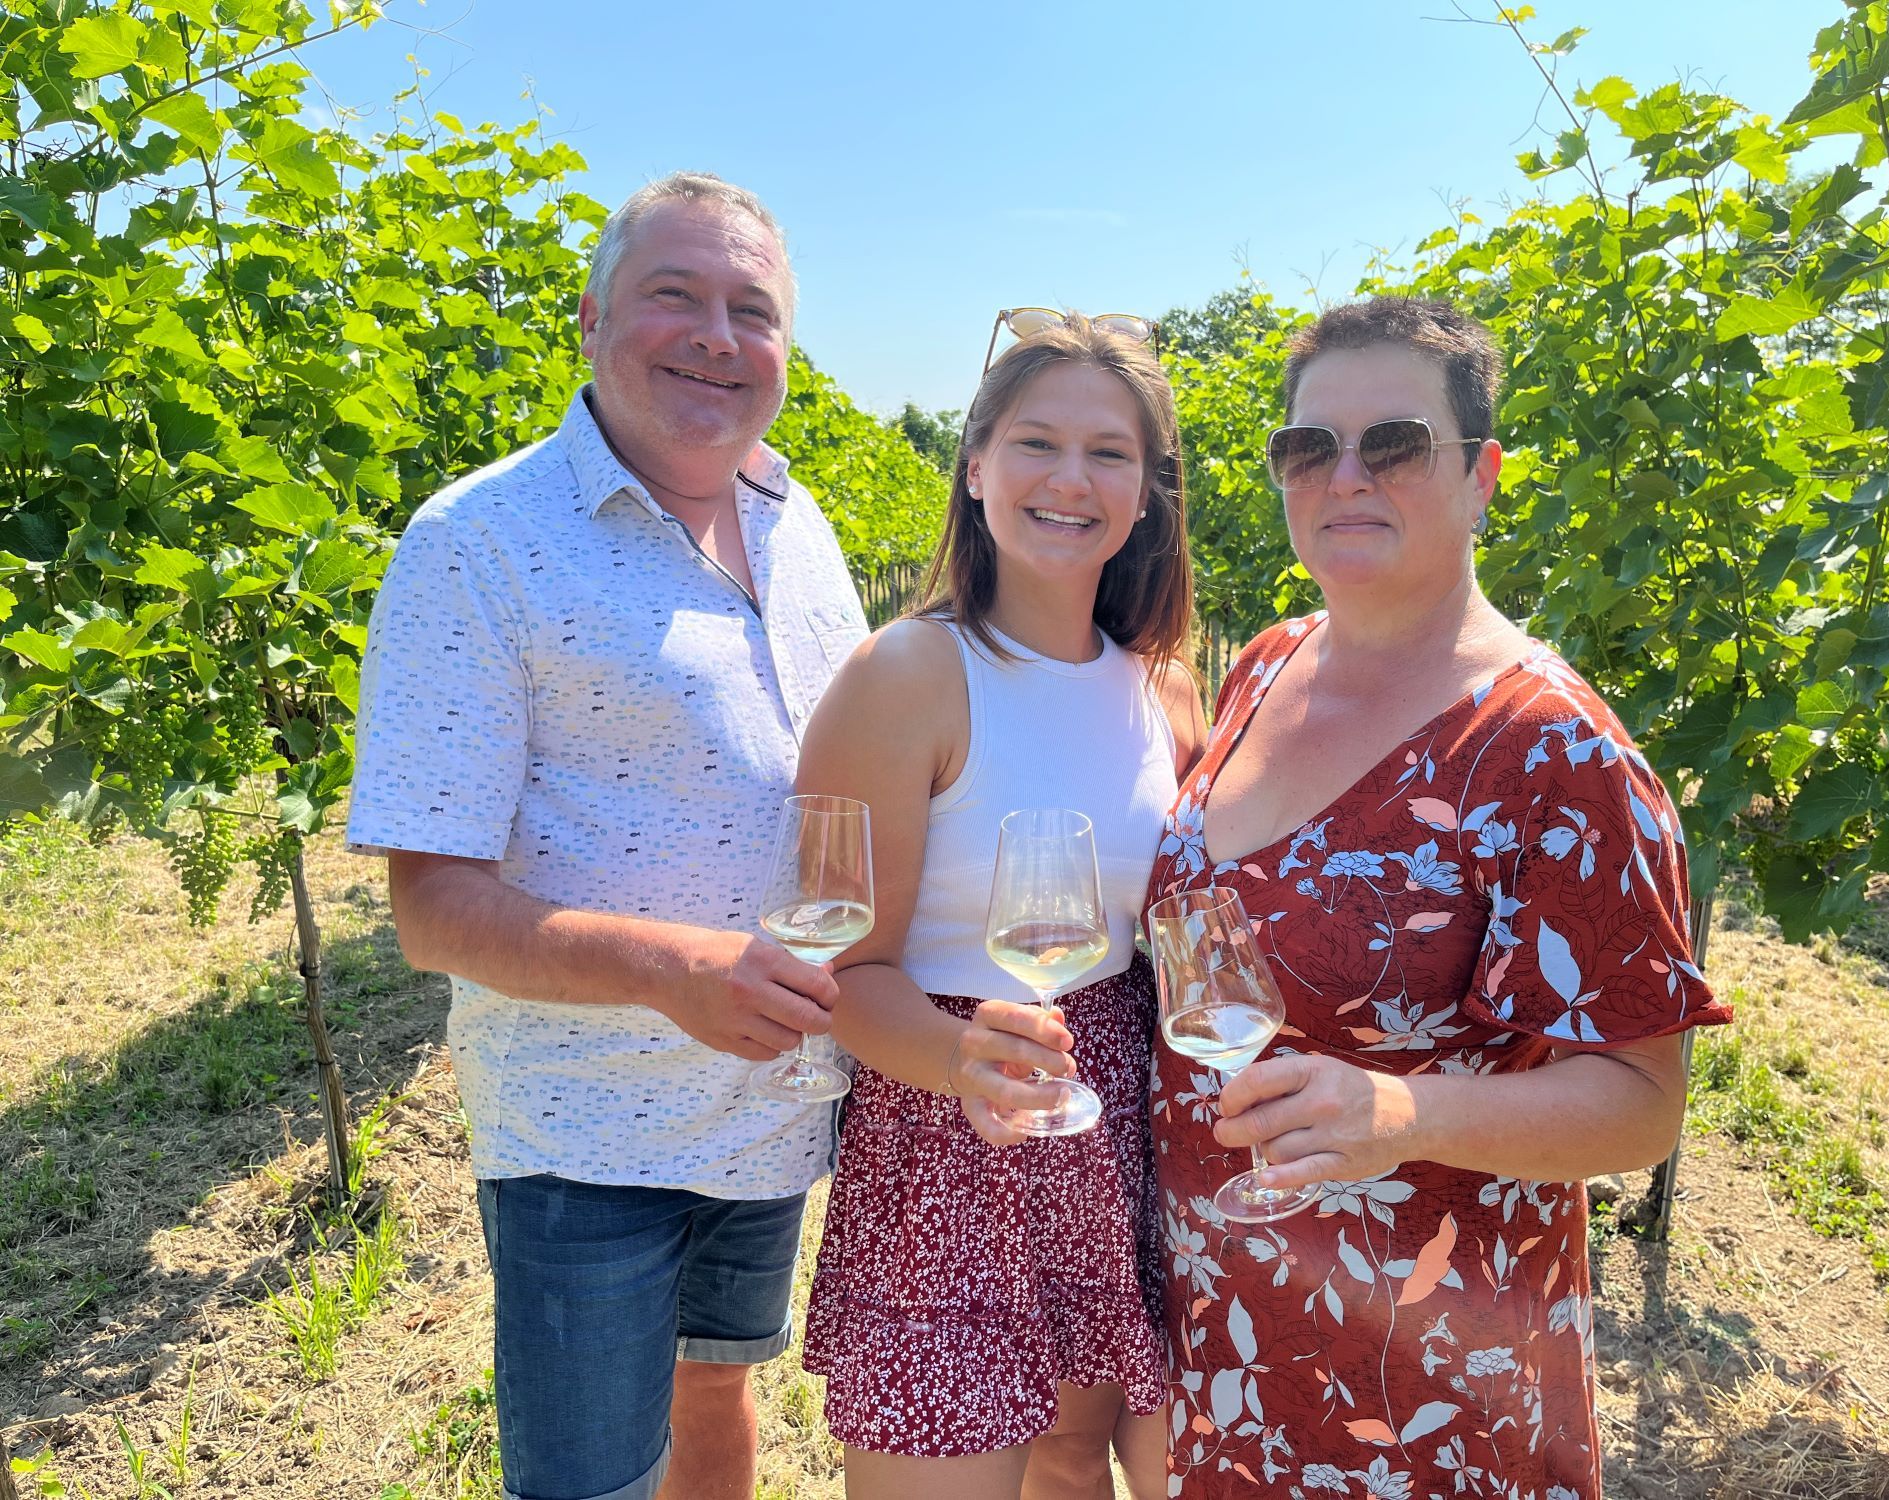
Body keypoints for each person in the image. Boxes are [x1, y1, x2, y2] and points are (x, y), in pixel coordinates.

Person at [1145, 296, 1732, 1498]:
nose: (1343, 475)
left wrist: (1397, 1112)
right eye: (1308, 447)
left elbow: (1637, 1105)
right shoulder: (1266, 663)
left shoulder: (1550, 752)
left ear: (1482, 476)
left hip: (1422, 1389)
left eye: (1394, 444)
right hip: (1225, 1333)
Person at [347, 173, 870, 1500]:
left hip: (770, 1104)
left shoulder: (800, 529)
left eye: (751, 310)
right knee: (590, 1480)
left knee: (717, 1395)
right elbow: (433, 908)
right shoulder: (477, 544)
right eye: (674, 296)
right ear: (591, 319)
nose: (717, 334)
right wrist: (670, 968)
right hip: (590, 1132)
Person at [793, 312, 1207, 1499]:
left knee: (1075, 1463)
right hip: (942, 1147)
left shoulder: (1165, 690)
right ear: (974, 469)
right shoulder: (905, 676)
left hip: (1112, 1120)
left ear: (1145, 492)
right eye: (1034, 442)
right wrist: (962, 1061)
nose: (1068, 480)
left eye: (1108, 453)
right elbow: (845, 970)